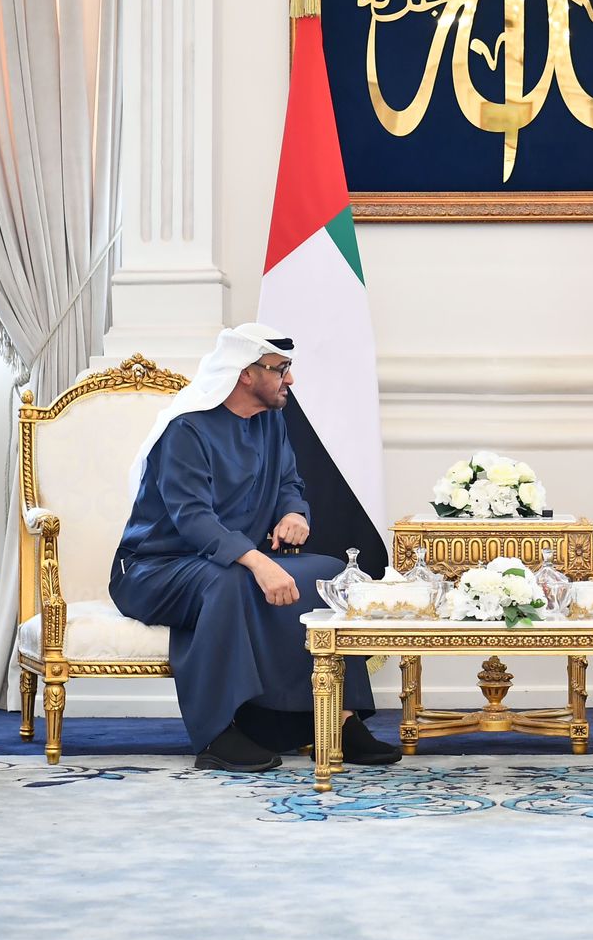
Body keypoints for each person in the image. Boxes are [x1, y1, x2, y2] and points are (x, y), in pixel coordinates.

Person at [109, 323, 400, 772]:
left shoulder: (270, 421)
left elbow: (289, 483)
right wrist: (258, 562)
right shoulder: (185, 430)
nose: (290, 379)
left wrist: (294, 514)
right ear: (246, 373)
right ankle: (218, 733)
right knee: (226, 583)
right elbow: (193, 519)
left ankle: (337, 721)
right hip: (156, 568)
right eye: (281, 369)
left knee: (327, 575)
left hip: (231, 560)